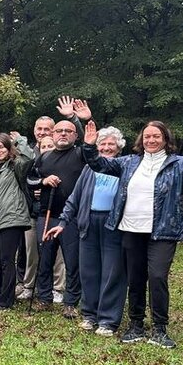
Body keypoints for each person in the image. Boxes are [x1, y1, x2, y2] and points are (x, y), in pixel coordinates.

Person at [81, 118, 183, 348]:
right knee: (135, 278)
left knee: (157, 276)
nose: (151, 140)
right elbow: (98, 164)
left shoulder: (178, 164)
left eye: (156, 136)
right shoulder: (129, 163)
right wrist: (89, 145)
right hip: (131, 229)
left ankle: (160, 329)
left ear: (165, 139)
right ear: (141, 140)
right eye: (147, 137)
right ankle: (135, 325)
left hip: (163, 231)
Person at [44, 126, 128, 334]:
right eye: (103, 143)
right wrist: (63, 223)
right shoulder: (89, 168)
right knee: (89, 272)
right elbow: (75, 198)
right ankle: (90, 315)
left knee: (112, 272)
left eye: (111, 144)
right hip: (88, 222)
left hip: (113, 224)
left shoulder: (124, 167)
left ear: (119, 147)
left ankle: (108, 320)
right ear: (97, 146)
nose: (107, 147)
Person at [30, 98, 91, 317]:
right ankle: (44, 297)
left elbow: (91, 142)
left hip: (72, 218)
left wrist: (77, 119)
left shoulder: (80, 154)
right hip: (46, 215)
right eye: (59, 131)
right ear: (52, 135)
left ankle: (70, 302)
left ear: (75, 135)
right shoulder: (44, 157)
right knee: (44, 258)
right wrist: (43, 181)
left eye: (68, 131)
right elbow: (30, 179)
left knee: (72, 261)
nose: (63, 134)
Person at [0, 132, 33, 310]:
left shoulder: (14, 166)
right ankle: (0, 295)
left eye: (2, 147)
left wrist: (20, 139)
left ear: (8, 148)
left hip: (11, 218)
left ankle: (5, 301)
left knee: (6, 260)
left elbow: (28, 157)